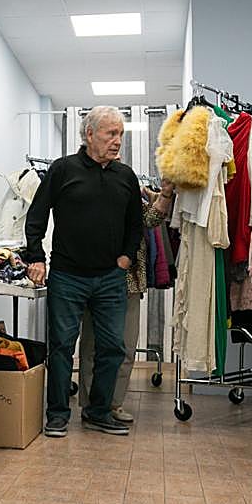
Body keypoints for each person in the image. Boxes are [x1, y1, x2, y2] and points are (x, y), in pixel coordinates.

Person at [24, 105, 143, 437]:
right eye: (111, 133)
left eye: (120, 134)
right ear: (89, 134)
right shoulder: (63, 170)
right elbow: (37, 216)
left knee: (112, 347)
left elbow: (135, 225)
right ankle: (58, 413)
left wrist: (125, 258)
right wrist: (36, 256)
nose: (117, 141)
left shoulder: (126, 177)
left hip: (110, 278)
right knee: (62, 346)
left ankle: (98, 411)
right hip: (67, 276)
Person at [78, 180, 176, 422]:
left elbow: (153, 219)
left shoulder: (130, 198)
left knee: (126, 346)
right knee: (92, 345)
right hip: (96, 279)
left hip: (129, 282)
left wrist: (165, 193)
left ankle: (113, 403)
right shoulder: (88, 196)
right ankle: (91, 404)